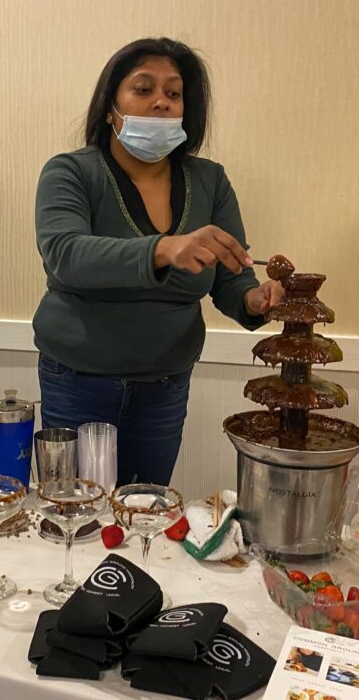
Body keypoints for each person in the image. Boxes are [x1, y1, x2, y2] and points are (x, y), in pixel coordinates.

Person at [34, 37, 284, 486]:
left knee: (145, 514)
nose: (161, 103)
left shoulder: (210, 180)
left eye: (174, 93)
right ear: (111, 104)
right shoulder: (70, 171)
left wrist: (254, 298)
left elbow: (231, 273)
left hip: (165, 386)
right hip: (77, 381)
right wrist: (165, 248)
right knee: (75, 514)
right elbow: (66, 254)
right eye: (143, 89)